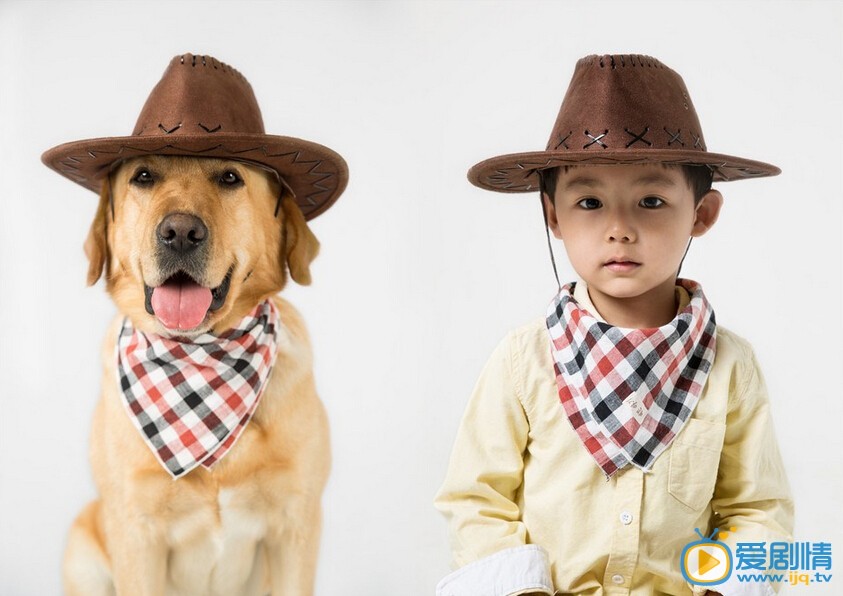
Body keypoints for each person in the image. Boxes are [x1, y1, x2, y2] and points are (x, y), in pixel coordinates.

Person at [434, 54, 793, 596]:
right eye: (589, 202)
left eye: (651, 201)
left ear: (702, 213)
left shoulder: (729, 365)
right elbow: (477, 498)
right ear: (553, 214)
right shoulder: (523, 360)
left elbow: (756, 505)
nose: (619, 229)